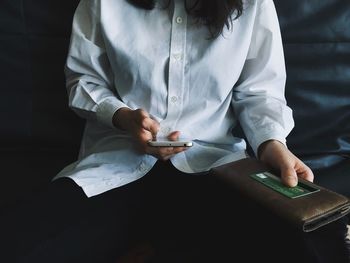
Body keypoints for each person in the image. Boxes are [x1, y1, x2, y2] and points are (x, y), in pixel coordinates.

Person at [1, 0, 348, 262]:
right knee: (19, 242)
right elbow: (82, 80)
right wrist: (122, 117)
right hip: (114, 169)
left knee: (307, 247)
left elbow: (260, 91)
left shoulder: (252, 3)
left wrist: (273, 146)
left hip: (215, 170)